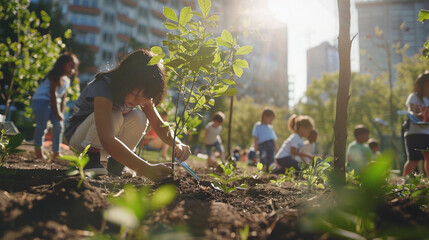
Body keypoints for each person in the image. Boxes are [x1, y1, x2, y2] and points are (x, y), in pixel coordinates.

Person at [64, 49, 190, 182]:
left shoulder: (141, 94)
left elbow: (158, 124)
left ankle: (117, 164)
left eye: (145, 97)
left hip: (108, 145)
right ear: (126, 80)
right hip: (81, 141)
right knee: (115, 115)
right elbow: (107, 137)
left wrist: (177, 143)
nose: (138, 102)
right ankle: (90, 159)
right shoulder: (104, 86)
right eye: (135, 95)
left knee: (139, 117)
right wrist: (145, 168)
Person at [32, 52, 79, 160]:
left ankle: (56, 153)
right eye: (71, 66)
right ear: (62, 64)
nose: (72, 70)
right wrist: (57, 113)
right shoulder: (54, 76)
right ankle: (38, 152)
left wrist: (61, 114)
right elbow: (52, 94)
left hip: (55, 104)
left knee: (59, 126)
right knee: (42, 127)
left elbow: (62, 99)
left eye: (74, 67)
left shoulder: (66, 81)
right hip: (42, 101)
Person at [403, 72, 429, 177]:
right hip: (414, 133)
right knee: (413, 160)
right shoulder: (414, 96)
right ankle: (404, 186)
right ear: (421, 86)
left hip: (427, 133)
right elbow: (411, 113)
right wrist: (420, 115)